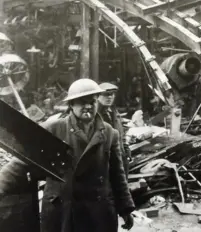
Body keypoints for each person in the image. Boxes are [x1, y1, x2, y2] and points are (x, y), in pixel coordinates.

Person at [0, 78, 135, 232]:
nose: (88, 107)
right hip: (63, 208)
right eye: (82, 102)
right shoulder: (54, 129)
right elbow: (23, 162)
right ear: (71, 105)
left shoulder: (110, 133)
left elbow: (117, 174)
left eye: (92, 102)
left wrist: (126, 208)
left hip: (98, 209)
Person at [98, 82, 131, 176]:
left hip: (120, 156)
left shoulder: (113, 111)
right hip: (105, 160)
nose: (109, 97)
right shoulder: (95, 115)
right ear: (97, 96)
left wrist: (126, 148)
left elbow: (121, 133)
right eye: (106, 94)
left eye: (112, 94)